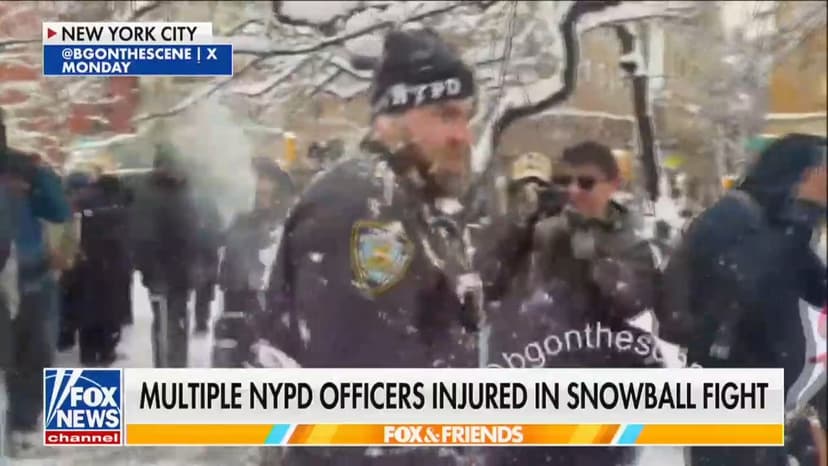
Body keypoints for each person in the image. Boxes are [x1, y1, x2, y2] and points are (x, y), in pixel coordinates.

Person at [259, 27, 481, 466]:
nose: (463, 136)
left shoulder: (408, 203)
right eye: (445, 115)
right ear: (391, 118)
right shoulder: (367, 206)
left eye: (465, 118)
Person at [481, 141, 663, 466]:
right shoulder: (543, 231)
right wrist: (521, 225)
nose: (574, 191)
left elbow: (634, 301)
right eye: (566, 182)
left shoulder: (632, 243)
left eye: (586, 182)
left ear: (613, 185)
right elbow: (492, 281)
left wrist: (596, 259)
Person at [659, 133, 827, 466]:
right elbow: (740, 303)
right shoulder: (738, 221)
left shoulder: (779, 224)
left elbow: (815, 284)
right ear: (804, 174)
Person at [212, 157, 292, 368]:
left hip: (277, 315)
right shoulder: (243, 222)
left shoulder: (289, 226)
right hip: (244, 308)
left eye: (267, 191)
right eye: (259, 191)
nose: (262, 194)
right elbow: (229, 272)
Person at [129, 143, 199, 368]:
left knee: (179, 321)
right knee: (164, 324)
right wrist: (150, 271)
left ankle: (178, 367)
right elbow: (142, 236)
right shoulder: (150, 193)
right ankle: (164, 371)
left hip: (183, 270)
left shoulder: (186, 190)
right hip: (161, 271)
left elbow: (196, 229)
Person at [73, 171, 132, 366]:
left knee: (88, 307)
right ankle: (107, 350)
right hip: (112, 262)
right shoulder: (117, 202)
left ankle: (88, 353)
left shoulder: (83, 199)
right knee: (110, 309)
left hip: (87, 261)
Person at [192, 194, 223, 335]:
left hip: (200, 259)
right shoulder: (215, 222)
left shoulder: (196, 222)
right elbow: (221, 239)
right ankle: (202, 320)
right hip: (209, 259)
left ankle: (201, 321)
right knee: (205, 293)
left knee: (201, 292)